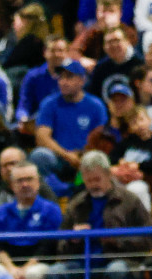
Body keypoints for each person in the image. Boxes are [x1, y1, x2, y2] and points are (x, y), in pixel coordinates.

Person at [47, 150, 152, 279]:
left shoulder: (129, 200)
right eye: (88, 181)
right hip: (85, 261)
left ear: (108, 175)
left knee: (117, 270)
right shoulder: (76, 204)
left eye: (97, 179)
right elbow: (60, 244)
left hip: (119, 259)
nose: (93, 185)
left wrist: (116, 240)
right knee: (54, 273)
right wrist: (73, 239)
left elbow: (150, 238)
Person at [31, 61, 108, 193]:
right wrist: (67, 155)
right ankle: (57, 190)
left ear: (82, 80)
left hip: (85, 158)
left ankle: (81, 186)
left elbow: (101, 138)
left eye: (69, 77)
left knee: (97, 159)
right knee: (39, 155)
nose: (63, 82)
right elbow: (42, 138)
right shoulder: (49, 103)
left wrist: (81, 155)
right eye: (61, 77)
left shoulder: (95, 105)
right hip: (59, 158)